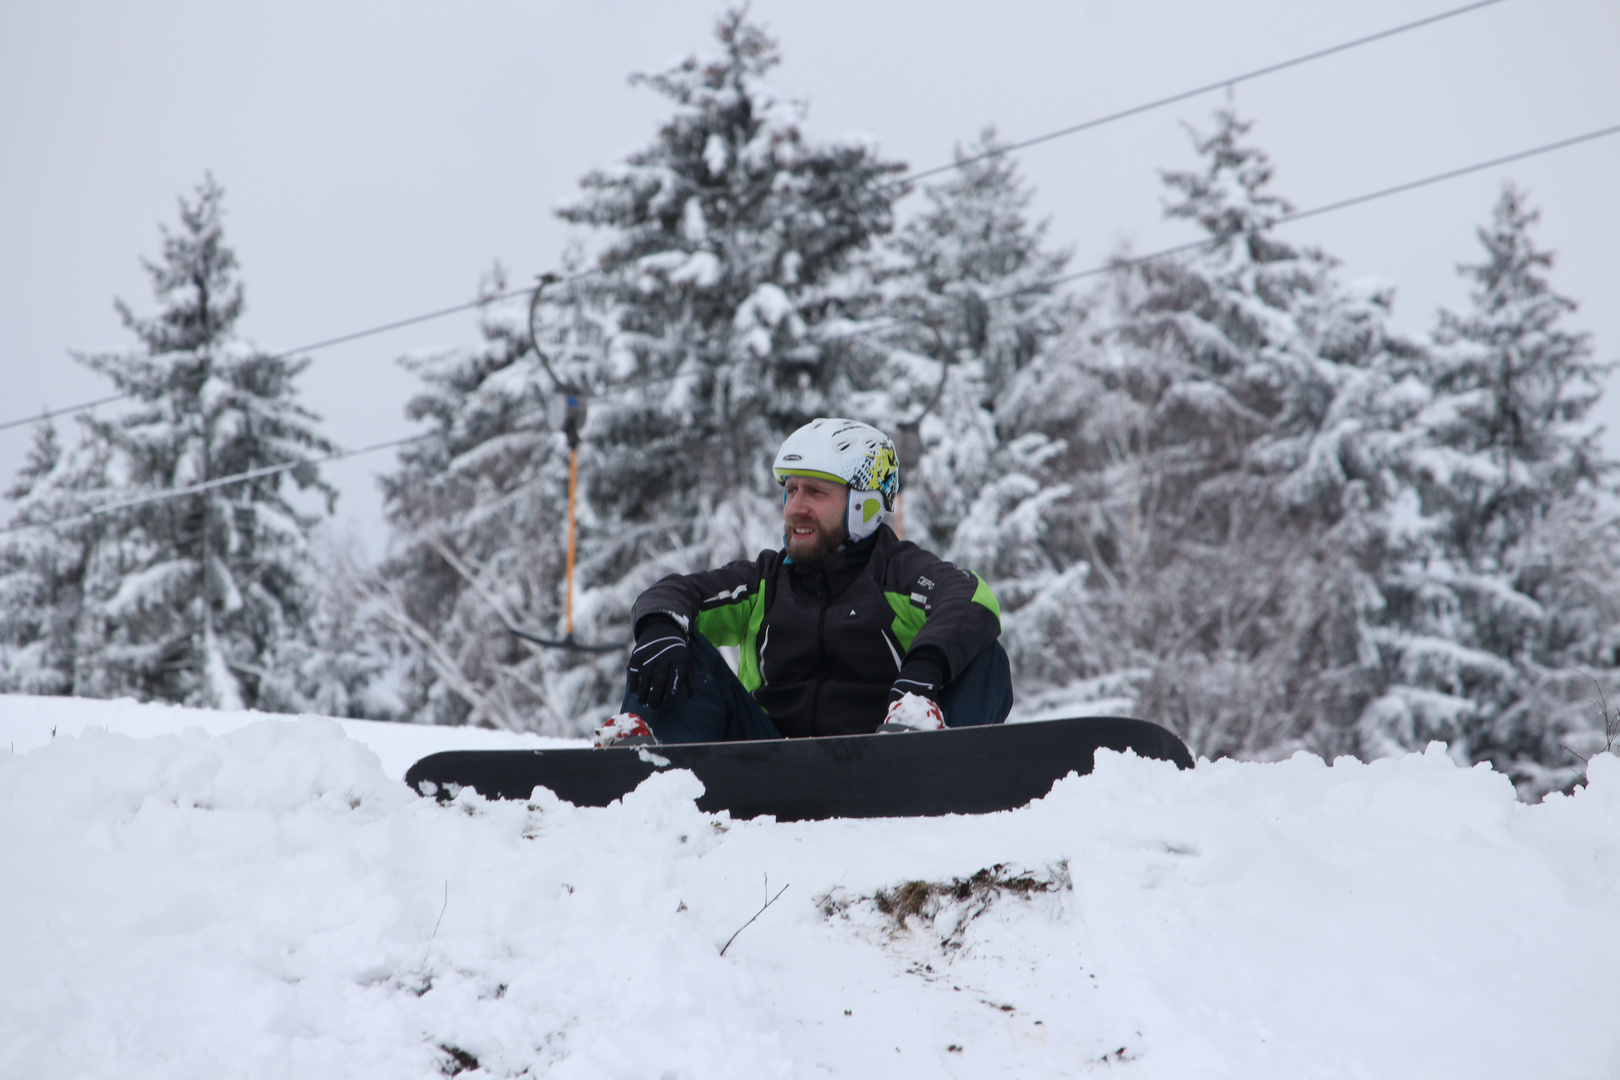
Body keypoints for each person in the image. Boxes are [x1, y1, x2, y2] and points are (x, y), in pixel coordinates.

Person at [596, 417, 1013, 746]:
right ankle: (646, 769)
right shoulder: (764, 581)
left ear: (864, 508)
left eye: (815, 492)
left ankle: (942, 763)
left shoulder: (901, 573)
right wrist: (660, 628)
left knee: (982, 651)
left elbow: (971, 598)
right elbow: (675, 593)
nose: (794, 507)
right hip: (767, 757)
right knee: (672, 640)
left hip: (884, 756)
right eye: (791, 490)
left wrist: (924, 669)